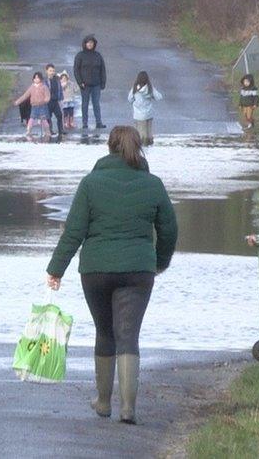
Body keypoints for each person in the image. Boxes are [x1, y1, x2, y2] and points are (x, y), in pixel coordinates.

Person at [45, 126, 178, 424]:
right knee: (128, 335)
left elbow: (74, 231)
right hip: (138, 272)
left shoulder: (91, 184)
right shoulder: (153, 184)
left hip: (96, 271)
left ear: (109, 147)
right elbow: (169, 229)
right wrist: (158, 261)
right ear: (138, 150)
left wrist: (56, 269)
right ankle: (129, 408)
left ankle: (104, 402)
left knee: (105, 332)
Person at [73, 34, 107, 130]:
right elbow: (76, 70)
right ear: (85, 44)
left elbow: (102, 70)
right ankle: (85, 123)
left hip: (96, 84)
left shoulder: (98, 55)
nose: (90, 44)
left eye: (91, 43)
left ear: (94, 44)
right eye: (88, 43)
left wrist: (103, 82)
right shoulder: (80, 55)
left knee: (96, 104)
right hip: (85, 85)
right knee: (85, 104)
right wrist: (80, 82)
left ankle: (99, 122)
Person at [127, 71, 163, 146]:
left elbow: (129, 99)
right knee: (149, 135)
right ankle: (150, 151)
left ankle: (142, 152)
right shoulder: (150, 88)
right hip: (149, 115)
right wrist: (151, 96)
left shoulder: (135, 88)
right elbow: (159, 97)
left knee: (141, 137)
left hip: (138, 116)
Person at [13, 72, 52, 138]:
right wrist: (17, 102)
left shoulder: (44, 87)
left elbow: (48, 95)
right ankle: (28, 131)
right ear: (33, 79)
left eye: (38, 78)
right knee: (31, 119)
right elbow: (25, 95)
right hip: (34, 106)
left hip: (42, 106)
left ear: (41, 79)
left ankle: (47, 132)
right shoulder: (32, 87)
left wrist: (46, 100)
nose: (36, 79)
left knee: (44, 120)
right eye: (35, 78)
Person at [44, 64, 64, 136]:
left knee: (59, 115)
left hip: (55, 101)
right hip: (48, 102)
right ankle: (50, 130)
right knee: (48, 117)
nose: (52, 72)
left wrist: (61, 97)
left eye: (53, 71)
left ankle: (61, 130)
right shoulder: (45, 81)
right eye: (50, 71)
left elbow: (60, 89)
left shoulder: (57, 79)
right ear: (46, 71)